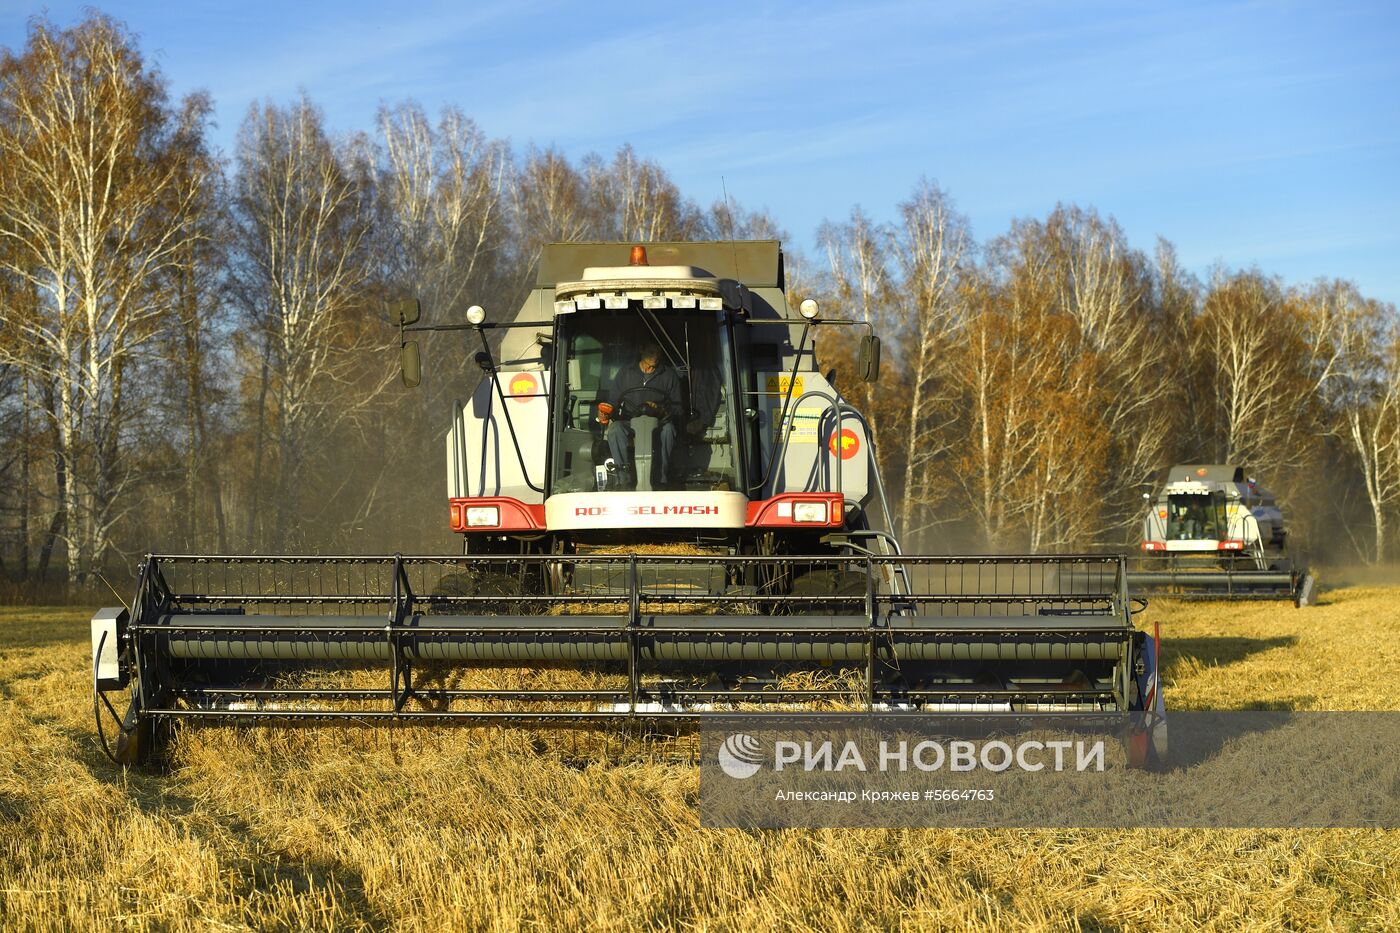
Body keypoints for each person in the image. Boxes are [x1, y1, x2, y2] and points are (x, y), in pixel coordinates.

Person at [598, 343, 682, 489]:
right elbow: (612, 403)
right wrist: (604, 412)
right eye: (651, 351)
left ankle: (660, 479)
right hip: (630, 421)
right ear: (641, 350)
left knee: (668, 430)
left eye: (658, 352)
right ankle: (623, 479)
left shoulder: (669, 375)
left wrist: (660, 409)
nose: (655, 356)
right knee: (616, 429)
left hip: (658, 423)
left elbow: (678, 408)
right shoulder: (625, 373)